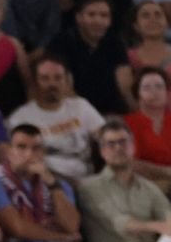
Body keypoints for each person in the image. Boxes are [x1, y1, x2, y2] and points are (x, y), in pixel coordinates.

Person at [6, 54, 106, 182]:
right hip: (47, 182)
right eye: (45, 78)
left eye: (58, 78)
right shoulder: (19, 118)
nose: (52, 84)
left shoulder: (81, 106)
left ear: (67, 81)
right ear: (35, 83)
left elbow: (106, 136)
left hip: (89, 179)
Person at [125, 69, 171, 196]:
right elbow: (131, 163)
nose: (154, 92)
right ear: (137, 94)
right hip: (142, 188)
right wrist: (170, 172)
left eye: (159, 87)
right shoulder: (127, 124)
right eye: (147, 88)